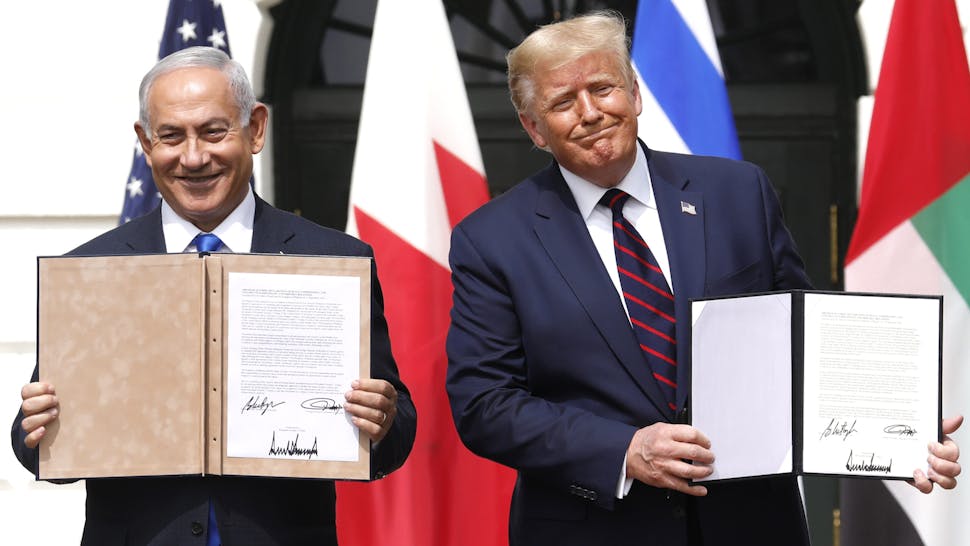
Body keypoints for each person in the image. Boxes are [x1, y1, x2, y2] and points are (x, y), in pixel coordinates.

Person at [445, 11, 961, 546]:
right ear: (534, 128)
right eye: (561, 102)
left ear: (636, 93)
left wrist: (890, 437)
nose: (591, 112)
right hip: (595, 528)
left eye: (603, 88)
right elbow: (485, 403)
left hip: (751, 524)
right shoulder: (493, 239)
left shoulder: (738, 194)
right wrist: (622, 451)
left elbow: (805, 348)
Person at [11, 46, 416, 545]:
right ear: (144, 142)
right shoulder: (91, 274)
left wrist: (383, 419)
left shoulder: (332, 260)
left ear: (256, 129)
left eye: (213, 131)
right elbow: (35, 449)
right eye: (171, 136)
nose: (194, 157)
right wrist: (37, 428)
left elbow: (394, 438)